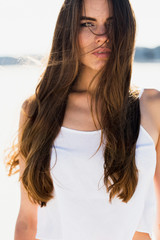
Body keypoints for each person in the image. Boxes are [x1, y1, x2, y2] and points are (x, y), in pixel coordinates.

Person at [6, 0, 160, 239]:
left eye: (112, 23)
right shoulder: (37, 113)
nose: (102, 36)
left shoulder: (151, 107)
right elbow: (27, 221)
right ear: (68, 30)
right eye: (87, 23)